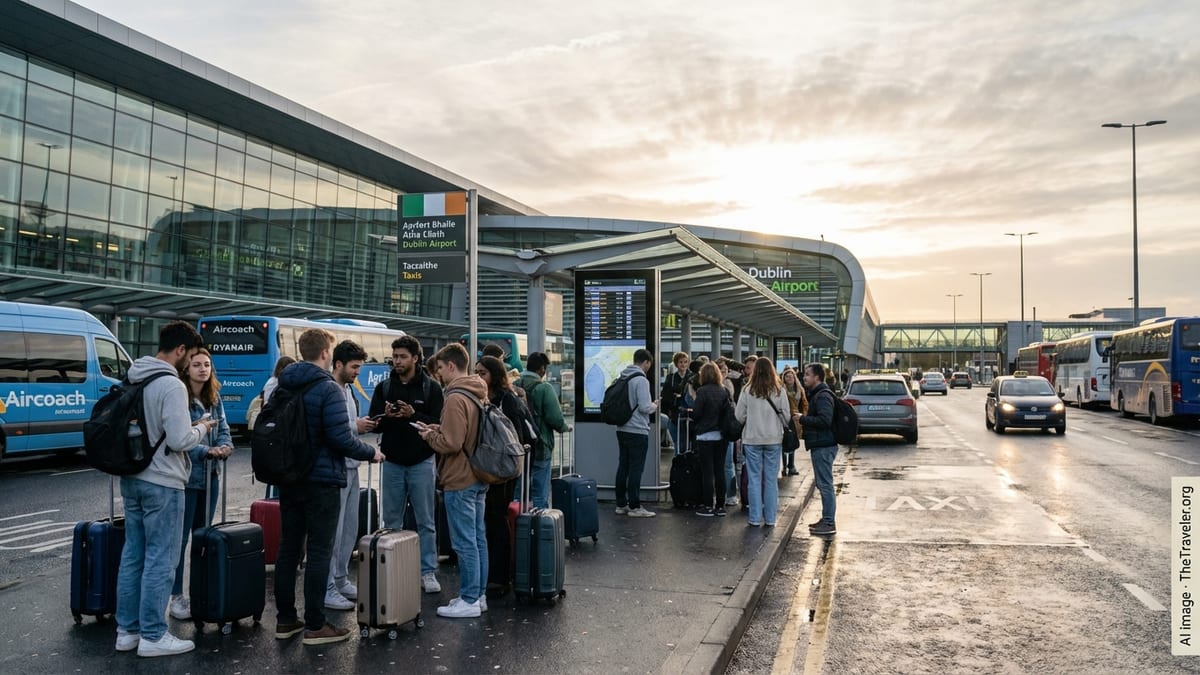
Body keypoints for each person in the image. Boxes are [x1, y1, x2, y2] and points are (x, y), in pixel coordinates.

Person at [273, 328, 384, 646]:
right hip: (321, 479)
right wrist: (371, 452)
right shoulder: (327, 388)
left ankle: (285, 620)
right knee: (321, 550)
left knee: (289, 549)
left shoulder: (285, 385)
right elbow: (340, 437)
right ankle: (315, 625)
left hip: (290, 477)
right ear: (325, 353)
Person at [115, 321, 215, 658]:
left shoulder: (134, 374)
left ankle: (127, 631)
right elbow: (179, 439)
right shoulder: (171, 385)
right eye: (190, 357)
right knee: (161, 559)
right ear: (181, 351)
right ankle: (154, 635)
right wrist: (200, 427)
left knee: (133, 555)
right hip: (164, 481)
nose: (190, 365)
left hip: (133, 476)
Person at [417, 343, 489, 618]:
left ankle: (469, 599)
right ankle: (478, 595)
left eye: (440, 369)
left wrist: (430, 436)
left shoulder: (456, 397)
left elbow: (452, 442)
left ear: (450, 365)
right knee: (478, 539)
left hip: (460, 477)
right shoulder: (477, 392)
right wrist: (439, 429)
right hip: (478, 474)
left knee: (464, 542)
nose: (438, 376)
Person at [371, 335, 445, 594]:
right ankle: (392, 567)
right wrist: (387, 416)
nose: (397, 361)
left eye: (402, 356)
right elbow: (374, 421)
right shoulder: (384, 388)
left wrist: (414, 415)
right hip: (392, 461)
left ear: (415, 358)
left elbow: (439, 422)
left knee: (425, 520)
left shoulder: (431, 388)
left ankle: (427, 571)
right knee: (391, 520)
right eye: (395, 356)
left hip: (422, 461)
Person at [168, 347, 233, 622]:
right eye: (197, 365)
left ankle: (199, 591)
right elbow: (180, 439)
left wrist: (224, 446)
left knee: (203, 537)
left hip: (211, 476)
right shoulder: (181, 398)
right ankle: (176, 596)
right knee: (180, 539)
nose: (203, 369)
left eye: (206, 365)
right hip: (187, 477)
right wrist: (204, 451)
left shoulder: (213, 399)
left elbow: (225, 430)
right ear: (187, 369)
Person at [324, 340, 378, 611]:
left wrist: (358, 428)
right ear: (338, 365)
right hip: (337, 468)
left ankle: (341, 578)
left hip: (351, 466)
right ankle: (329, 586)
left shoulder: (346, 389)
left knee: (349, 528)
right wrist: (355, 427)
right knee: (334, 530)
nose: (358, 372)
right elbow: (334, 430)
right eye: (354, 367)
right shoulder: (332, 389)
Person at [474, 355, 534, 595]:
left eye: (483, 373)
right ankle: (493, 573)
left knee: (497, 520)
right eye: (476, 372)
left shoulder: (507, 400)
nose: (478, 377)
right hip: (488, 469)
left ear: (495, 376)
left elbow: (516, 440)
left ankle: (499, 576)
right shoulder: (485, 399)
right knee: (489, 520)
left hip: (502, 471)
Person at [734, 357, 795, 528]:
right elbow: (787, 416)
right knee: (770, 480)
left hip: (752, 439)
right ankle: (770, 519)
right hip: (773, 439)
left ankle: (754, 518)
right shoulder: (779, 390)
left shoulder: (747, 390)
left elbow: (739, 416)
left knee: (754, 479)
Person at [514, 352, 570, 510]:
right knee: (539, 491)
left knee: (519, 490)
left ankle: (518, 525)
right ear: (542, 369)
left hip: (518, 444)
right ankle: (538, 527)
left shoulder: (515, 384)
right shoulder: (544, 388)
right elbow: (555, 418)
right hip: (540, 444)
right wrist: (564, 427)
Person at [613, 349, 658, 518]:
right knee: (636, 469)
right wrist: (655, 405)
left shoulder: (623, 376)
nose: (648, 368)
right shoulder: (641, 380)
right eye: (649, 365)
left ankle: (621, 504)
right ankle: (635, 506)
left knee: (623, 466)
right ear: (646, 362)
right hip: (638, 430)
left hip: (622, 428)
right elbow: (645, 407)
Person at [798, 363, 838, 536]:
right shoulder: (818, 394)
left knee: (825, 484)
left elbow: (824, 421)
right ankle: (826, 518)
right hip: (821, 444)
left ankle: (829, 522)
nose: (805, 377)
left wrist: (803, 419)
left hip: (824, 444)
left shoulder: (822, 396)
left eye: (808, 374)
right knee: (823, 484)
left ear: (817, 377)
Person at [690, 362, 733, 517]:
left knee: (707, 472)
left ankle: (708, 505)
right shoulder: (724, 391)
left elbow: (696, 414)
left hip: (705, 435)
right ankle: (720, 506)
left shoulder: (702, 391)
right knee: (719, 470)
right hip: (721, 435)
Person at [660, 352, 693, 453]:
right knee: (677, 442)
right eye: (680, 362)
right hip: (674, 414)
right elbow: (665, 394)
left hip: (689, 415)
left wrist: (679, 394)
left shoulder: (692, 377)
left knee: (687, 443)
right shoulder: (671, 377)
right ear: (676, 364)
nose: (683, 364)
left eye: (685, 362)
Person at [780, 367, 808, 477]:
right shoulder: (781, 389)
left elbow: (804, 403)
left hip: (796, 419)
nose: (790, 378)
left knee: (793, 442)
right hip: (785, 418)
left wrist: (803, 416)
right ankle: (785, 466)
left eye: (791, 376)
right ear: (784, 378)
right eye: (787, 376)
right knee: (785, 442)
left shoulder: (799, 389)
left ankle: (791, 465)